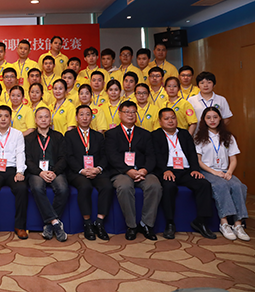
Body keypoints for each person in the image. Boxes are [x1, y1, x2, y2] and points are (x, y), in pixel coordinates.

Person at [152, 108, 215, 239]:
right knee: (169, 186)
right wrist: (164, 170)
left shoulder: (184, 134)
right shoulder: (155, 135)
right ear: (160, 121)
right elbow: (156, 156)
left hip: (186, 170)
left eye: (173, 117)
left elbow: (192, 153)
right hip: (168, 170)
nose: (170, 121)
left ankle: (201, 221)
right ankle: (170, 223)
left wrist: (195, 169)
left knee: (204, 184)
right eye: (166, 118)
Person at [105, 101, 161, 240]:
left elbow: (151, 156)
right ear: (120, 114)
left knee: (154, 185)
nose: (130, 115)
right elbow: (112, 156)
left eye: (133, 112)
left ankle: (146, 224)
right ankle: (132, 225)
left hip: (142, 171)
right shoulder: (111, 134)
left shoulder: (145, 134)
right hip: (121, 172)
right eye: (127, 112)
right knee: (124, 186)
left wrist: (144, 170)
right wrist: (128, 170)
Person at [194, 107, 249, 241]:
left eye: (215, 117)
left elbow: (233, 159)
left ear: (220, 119)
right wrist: (214, 172)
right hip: (208, 171)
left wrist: (229, 172)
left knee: (238, 186)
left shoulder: (228, 137)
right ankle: (224, 223)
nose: (212, 120)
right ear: (204, 120)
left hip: (225, 171)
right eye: (208, 117)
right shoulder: (199, 137)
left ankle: (238, 224)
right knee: (221, 186)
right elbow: (198, 161)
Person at [65, 105, 112, 240]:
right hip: (78, 172)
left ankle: (99, 222)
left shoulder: (98, 136)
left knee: (107, 186)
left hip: (96, 170)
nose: (85, 118)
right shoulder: (70, 135)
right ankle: (87, 223)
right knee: (85, 186)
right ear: (76, 118)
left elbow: (105, 155)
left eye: (87, 115)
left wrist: (98, 169)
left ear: (92, 117)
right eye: (81, 115)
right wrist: (82, 170)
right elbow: (68, 156)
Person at [0, 105, 28, 240]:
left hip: (12, 169)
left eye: (6, 116)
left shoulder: (17, 134)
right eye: (0, 116)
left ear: (10, 118)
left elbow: (20, 154)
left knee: (22, 188)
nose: (3, 119)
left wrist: (20, 172)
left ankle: (20, 226)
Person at [25, 107, 69, 242]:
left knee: (63, 189)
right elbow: (27, 160)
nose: (43, 120)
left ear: (50, 119)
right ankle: (55, 222)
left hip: (55, 170)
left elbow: (63, 157)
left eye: (46, 117)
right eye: (40, 117)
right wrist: (40, 172)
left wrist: (54, 171)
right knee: (37, 187)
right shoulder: (29, 138)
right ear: (35, 120)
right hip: (37, 172)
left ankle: (49, 225)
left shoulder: (58, 136)